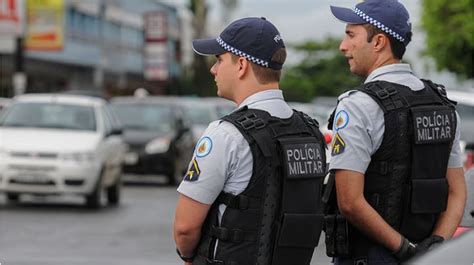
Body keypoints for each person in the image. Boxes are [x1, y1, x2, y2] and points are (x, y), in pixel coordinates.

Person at [322, 0, 467, 264]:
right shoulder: (442, 105)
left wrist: (405, 250)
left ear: (378, 42)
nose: (343, 46)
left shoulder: (358, 105)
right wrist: (435, 247)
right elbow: (457, 192)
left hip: (371, 255)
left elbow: (350, 202)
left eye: (350, 35)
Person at [173, 17, 327, 265]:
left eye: (219, 60)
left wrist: (190, 257)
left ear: (241, 65)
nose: (213, 69)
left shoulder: (225, 134)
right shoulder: (311, 131)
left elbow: (184, 228)